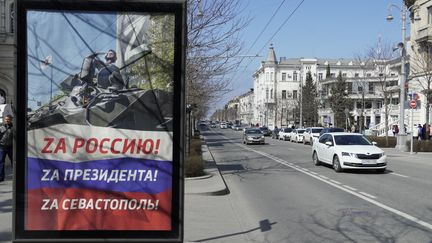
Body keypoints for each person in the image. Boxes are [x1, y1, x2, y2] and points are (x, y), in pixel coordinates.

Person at [0, 115, 13, 182]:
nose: (7, 120)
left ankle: (15, 176)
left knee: (13, 162)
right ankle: (1, 177)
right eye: (6, 119)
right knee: (1, 162)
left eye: (8, 119)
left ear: (11, 120)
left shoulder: (13, 127)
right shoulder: (1, 127)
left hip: (10, 147)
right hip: (2, 147)